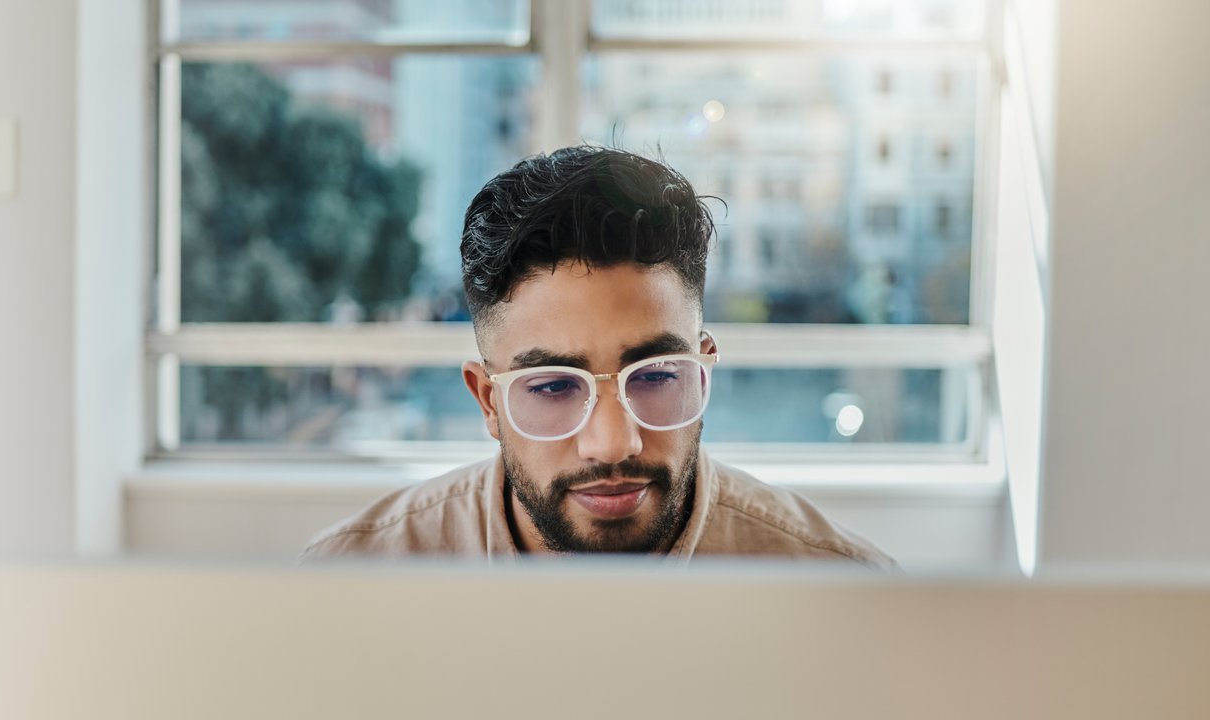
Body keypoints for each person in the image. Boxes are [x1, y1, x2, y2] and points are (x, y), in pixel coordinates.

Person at [301, 146, 895, 570]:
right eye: (555, 387)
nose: (613, 444)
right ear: (488, 400)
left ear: (704, 367)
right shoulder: (352, 580)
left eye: (657, 375)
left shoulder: (842, 593)